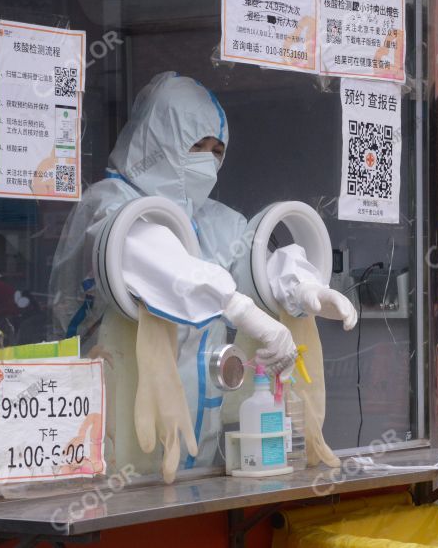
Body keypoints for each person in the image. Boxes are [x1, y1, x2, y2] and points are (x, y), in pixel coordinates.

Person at [49, 72, 357, 479]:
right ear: (158, 139)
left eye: (216, 150)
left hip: (199, 448)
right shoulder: (110, 206)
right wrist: (238, 308)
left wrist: (304, 286)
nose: (207, 160)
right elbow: (154, 262)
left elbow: (254, 260)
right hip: (115, 441)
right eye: (196, 145)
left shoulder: (213, 221)